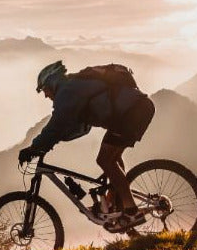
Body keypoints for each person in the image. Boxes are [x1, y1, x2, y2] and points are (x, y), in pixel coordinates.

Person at [17, 60, 155, 231]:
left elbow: (57, 124)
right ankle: (116, 204)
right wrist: (49, 143)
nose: (46, 95)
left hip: (132, 113)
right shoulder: (74, 87)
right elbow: (74, 127)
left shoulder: (67, 91)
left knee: (105, 161)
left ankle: (131, 211)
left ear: (52, 82)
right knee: (113, 158)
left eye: (45, 90)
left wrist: (34, 148)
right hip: (135, 110)